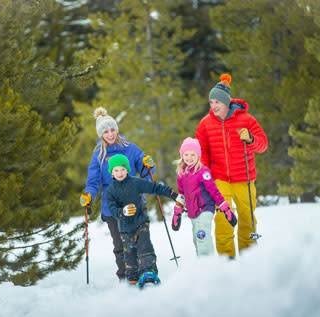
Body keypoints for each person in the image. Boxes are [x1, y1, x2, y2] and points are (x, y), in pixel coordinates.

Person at [195, 73, 268, 258]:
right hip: (219, 179)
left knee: (247, 220)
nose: (213, 106)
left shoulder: (247, 120)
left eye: (216, 102)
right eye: (211, 103)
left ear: (226, 102)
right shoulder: (205, 124)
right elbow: (201, 152)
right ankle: (226, 260)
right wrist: (205, 177)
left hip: (244, 178)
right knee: (223, 220)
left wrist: (251, 140)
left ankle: (249, 257)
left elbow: (263, 145)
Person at [79, 107, 154, 281]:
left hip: (135, 202)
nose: (110, 134)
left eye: (112, 129)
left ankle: (145, 272)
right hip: (112, 207)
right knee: (121, 244)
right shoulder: (98, 154)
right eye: (106, 131)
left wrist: (147, 165)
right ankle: (126, 276)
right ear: (101, 134)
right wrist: (88, 195)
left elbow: (145, 173)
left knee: (141, 240)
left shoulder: (131, 148)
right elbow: (92, 181)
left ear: (117, 129)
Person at [105, 154, 185, 286]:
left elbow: (154, 187)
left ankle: (149, 273)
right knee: (129, 253)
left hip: (140, 222)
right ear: (111, 172)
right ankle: (132, 277)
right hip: (125, 228)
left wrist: (172, 194)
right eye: (116, 170)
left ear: (127, 170)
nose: (120, 173)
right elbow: (112, 208)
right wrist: (122, 212)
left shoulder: (135, 182)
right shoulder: (111, 190)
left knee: (144, 247)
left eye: (123, 169)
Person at [172, 137, 237, 257]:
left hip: (205, 209)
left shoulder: (203, 171)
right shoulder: (181, 173)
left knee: (201, 236)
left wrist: (225, 207)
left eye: (193, 154)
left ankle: (207, 265)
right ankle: (205, 265)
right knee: (197, 241)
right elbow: (181, 194)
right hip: (193, 212)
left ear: (198, 155)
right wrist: (177, 212)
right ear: (182, 155)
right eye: (186, 154)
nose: (189, 158)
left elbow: (213, 190)